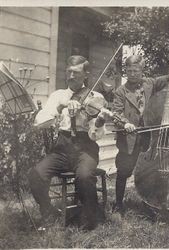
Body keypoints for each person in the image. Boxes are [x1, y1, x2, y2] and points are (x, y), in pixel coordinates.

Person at [28, 55, 111, 230]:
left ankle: (90, 216)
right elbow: (39, 122)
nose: (71, 76)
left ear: (86, 75)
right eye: (69, 72)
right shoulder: (58, 95)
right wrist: (60, 107)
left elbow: (95, 136)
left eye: (76, 72)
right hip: (62, 147)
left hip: (86, 147)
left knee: (84, 176)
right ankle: (48, 210)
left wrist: (99, 122)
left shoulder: (95, 98)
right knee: (36, 174)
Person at [112, 55, 169, 215]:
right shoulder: (120, 91)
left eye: (135, 70)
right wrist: (125, 123)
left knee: (150, 170)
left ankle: (151, 203)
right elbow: (116, 113)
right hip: (129, 138)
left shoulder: (150, 83)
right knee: (123, 171)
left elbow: (168, 79)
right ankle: (118, 204)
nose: (132, 74)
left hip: (149, 136)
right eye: (129, 70)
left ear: (142, 70)